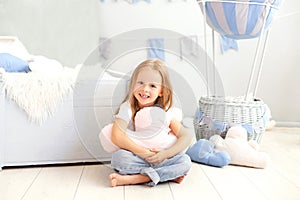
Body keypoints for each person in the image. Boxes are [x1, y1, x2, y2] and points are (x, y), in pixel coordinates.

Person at [108, 59, 193, 187]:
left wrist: (165, 154)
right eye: (140, 83)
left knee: (185, 162)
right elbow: (117, 136)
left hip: (162, 158)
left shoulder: (164, 112)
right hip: (138, 157)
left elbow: (186, 136)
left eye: (152, 86)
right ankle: (164, 175)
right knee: (119, 159)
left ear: (161, 91)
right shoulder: (127, 107)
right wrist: (144, 153)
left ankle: (137, 179)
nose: (144, 89)